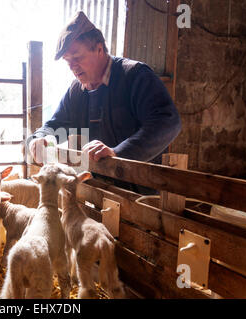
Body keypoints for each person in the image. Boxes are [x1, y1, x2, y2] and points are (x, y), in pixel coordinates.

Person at [26, 11, 182, 194]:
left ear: (99, 49)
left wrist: (118, 153)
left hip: (140, 193)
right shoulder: (76, 91)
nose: (72, 66)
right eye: (68, 61)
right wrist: (38, 139)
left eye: (77, 57)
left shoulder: (134, 76)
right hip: (96, 189)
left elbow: (168, 122)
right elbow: (55, 124)